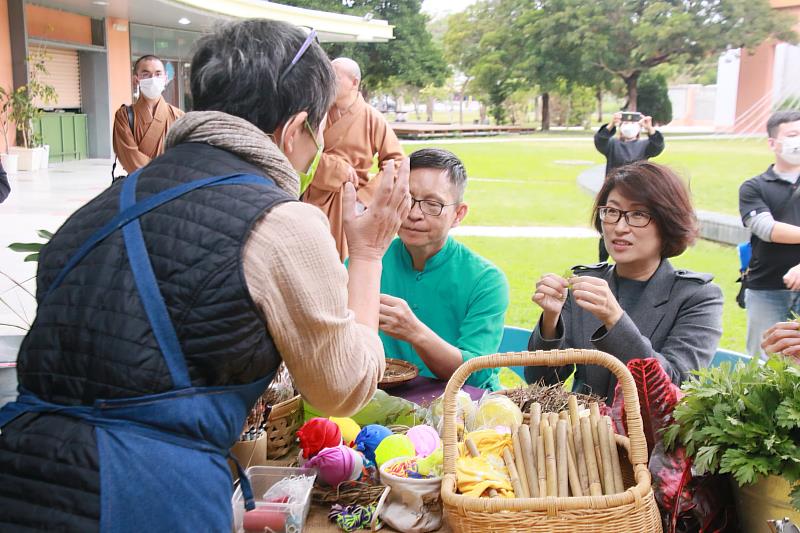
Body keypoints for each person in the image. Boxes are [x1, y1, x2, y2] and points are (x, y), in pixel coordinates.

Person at [0, 20, 411, 531]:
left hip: (19, 474)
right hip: (140, 497)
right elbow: (341, 389)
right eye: (321, 130)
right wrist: (368, 252)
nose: (320, 146)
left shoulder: (97, 209)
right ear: (294, 127)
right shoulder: (279, 219)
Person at [525, 161, 723, 404]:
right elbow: (541, 382)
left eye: (638, 214)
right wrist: (550, 321)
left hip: (650, 440)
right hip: (583, 435)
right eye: (612, 212)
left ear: (667, 222)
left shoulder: (698, 297)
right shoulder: (587, 282)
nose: (619, 227)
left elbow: (674, 385)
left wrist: (615, 320)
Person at [377, 148, 509, 390]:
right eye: (407, 198)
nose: (414, 214)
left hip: (464, 409)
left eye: (432, 204)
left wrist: (414, 331)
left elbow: (475, 373)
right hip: (386, 404)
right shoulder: (369, 262)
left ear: (458, 214)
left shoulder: (486, 280)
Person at [303, 57, 404, 261]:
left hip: (347, 201)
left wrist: (364, 198)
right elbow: (298, 150)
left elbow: (397, 162)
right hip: (310, 196)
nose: (328, 81)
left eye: (334, 77)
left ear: (354, 82)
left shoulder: (371, 118)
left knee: (341, 263)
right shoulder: (316, 111)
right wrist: (335, 167)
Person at [738, 110, 800, 359]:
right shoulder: (754, 187)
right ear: (773, 143)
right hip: (765, 289)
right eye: (793, 134)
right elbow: (767, 229)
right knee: (762, 363)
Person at [594, 111, 665, 261]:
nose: (629, 127)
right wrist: (612, 124)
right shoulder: (613, 145)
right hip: (614, 193)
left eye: (633, 124)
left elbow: (657, 146)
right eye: (626, 123)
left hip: (638, 194)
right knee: (608, 227)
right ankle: (603, 262)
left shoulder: (644, 145)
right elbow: (600, 141)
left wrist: (650, 129)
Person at [112, 54, 185, 175]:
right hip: (139, 187)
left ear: (165, 78)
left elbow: (184, 157)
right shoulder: (124, 116)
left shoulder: (179, 116)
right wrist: (162, 173)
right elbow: (129, 158)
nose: (153, 78)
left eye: (158, 74)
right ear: (136, 79)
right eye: (146, 74)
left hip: (171, 186)